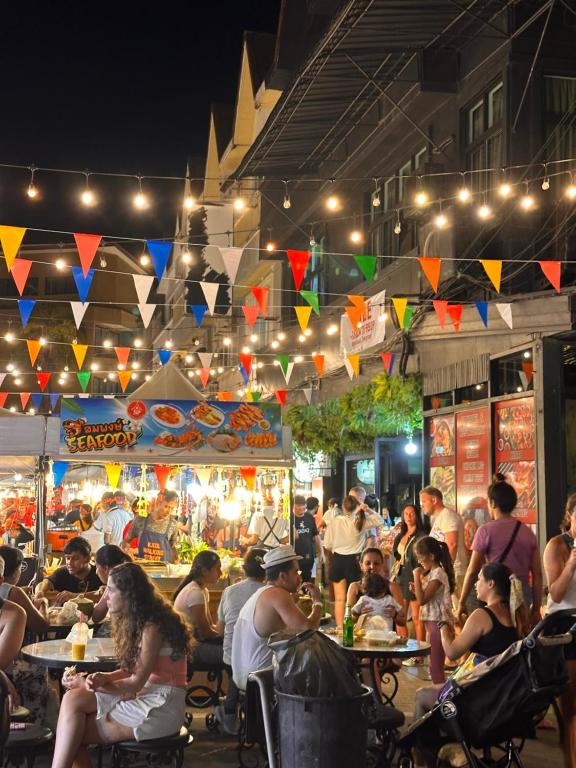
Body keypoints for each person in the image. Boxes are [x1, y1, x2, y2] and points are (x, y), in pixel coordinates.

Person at [52, 562, 193, 768]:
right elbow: (130, 671)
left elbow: (135, 682)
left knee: (73, 733)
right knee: (73, 704)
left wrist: (89, 683)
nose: (105, 596)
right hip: (147, 692)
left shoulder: (152, 626)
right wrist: (102, 677)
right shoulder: (142, 619)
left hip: (161, 705)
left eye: (110, 590)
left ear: (129, 594)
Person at [412, 563, 527, 767]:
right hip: (500, 701)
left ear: (491, 584)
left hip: (477, 703)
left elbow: (452, 652)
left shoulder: (483, 615)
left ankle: (427, 760)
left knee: (422, 696)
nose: (476, 583)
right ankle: (448, 751)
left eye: (480, 579)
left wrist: (443, 627)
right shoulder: (515, 616)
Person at [231, 545, 322, 691]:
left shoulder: (264, 592)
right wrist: (317, 601)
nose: (299, 577)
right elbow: (309, 629)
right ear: (282, 576)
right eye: (296, 572)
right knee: (320, 670)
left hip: (244, 674)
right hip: (259, 677)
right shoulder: (277, 594)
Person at [457, 475, 542, 628]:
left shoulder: (485, 531)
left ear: (493, 503)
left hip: (495, 597)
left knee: (495, 642)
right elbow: (537, 574)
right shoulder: (527, 533)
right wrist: (536, 608)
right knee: (517, 640)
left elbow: (472, 570)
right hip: (522, 598)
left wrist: (461, 602)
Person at [214, 547, 267, 734]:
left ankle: (230, 713)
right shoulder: (271, 593)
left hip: (229, 657)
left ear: (244, 568)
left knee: (237, 668)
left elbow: (220, 630)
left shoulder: (229, 591)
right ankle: (259, 719)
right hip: (259, 663)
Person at [543, 493, 576, 768]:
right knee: (571, 707)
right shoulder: (557, 546)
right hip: (565, 628)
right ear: (570, 516)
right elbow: (555, 592)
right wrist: (572, 562)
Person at [0, 548, 49, 724]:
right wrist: (42, 605)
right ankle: (33, 723)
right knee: (37, 669)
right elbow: (42, 626)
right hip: (12, 667)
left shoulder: (12, 606)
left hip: (5, 665)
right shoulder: (14, 596)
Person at [324, 495, 383, 627]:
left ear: (343, 507)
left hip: (338, 559)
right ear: (358, 506)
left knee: (340, 599)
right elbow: (380, 521)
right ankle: (354, 628)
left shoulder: (335, 521)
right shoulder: (360, 521)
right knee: (354, 598)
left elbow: (327, 544)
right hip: (355, 561)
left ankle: (340, 629)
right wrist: (367, 509)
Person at [412, 536, 455, 684]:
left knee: (436, 666)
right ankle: (437, 696)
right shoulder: (432, 573)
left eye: (420, 558)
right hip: (432, 623)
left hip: (438, 623)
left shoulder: (438, 573)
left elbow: (422, 600)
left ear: (431, 556)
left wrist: (416, 577)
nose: (419, 562)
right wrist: (417, 585)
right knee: (432, 665)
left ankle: (440, 699)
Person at [173, 550, 223, 665]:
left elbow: (210, 626)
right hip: (187, 648)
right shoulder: (194, 592)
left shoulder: (203, 590)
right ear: (205, 571)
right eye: (217, 568)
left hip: (195, 643)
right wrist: (226, 635)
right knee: (231, 655)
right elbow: (206, 633)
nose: (220, 572)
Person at [392, 504, 427, 660]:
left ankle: (419, 652)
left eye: (412, 513)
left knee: (416, 616)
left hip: (413, 576)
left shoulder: (421, 534)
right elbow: (396, 553)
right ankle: (404, 648)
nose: (408, 516)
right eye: (406, 513)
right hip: (400, 576)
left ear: (417, 515)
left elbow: (422, 557)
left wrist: (420, 576)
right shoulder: (402, 534)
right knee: (400, 614)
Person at [420, 486, 467, 599]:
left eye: (424, 501)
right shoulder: (440, 518)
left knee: (458, 609)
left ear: (434, 500)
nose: (422, 505)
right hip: (447, 571)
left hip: (455, 571)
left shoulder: (448, 516)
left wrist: (446, 570)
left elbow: (452, 544)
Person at [35, 537, 103, 605]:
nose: (69, 563)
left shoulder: (99, 573)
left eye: (75, 558)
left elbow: (105, 594)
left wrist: (73, 596)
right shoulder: (62, 572)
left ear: (88, 559)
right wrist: (40, 592)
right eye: (68, 558)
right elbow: (45, 583)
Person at [123, 491, 180, 563]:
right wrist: (128, 552)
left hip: (163, 571)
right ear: (158, 502)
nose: (168, 511)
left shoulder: (173, 524)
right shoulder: (141, 519)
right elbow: (126, 541)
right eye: (166, 506)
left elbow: (173, 548)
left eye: (172, 508)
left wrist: (176, 561)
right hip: (143, 570)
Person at [92, 545, 132, 624]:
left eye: (97, 567)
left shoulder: (115, 583)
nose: (96, 572)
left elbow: (96, 616)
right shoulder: (132, 574)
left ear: (106, 568)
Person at [293, 495, 322, 582]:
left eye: (303, 505)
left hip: (308, 555)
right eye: (298, 505)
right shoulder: (290, 518)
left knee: (308, 579)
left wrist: (321, 552)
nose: (301, 507)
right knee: (296, 580)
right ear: (293, 506)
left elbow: (316, 535)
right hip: (294, 556)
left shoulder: (309, 517)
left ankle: (308, 594)